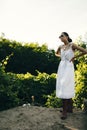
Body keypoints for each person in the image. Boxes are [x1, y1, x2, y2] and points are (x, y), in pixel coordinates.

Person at [55, 32, 87, 120]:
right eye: (60, 36)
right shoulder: (60, 47)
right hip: (61, 67)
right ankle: (70, 109)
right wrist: (62, 58)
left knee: (66, 85)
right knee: (62, 85)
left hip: (69, 67)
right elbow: (56, 53)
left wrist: (74, 57)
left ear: (67, 36)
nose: (60, 37)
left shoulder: (72, 45)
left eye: (62, 36)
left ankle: (65, 111)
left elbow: (85, 51)